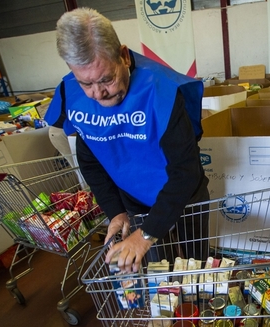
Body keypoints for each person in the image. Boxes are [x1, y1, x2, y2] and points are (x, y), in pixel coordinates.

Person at [44, 8, 210, 274]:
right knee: (160, 267)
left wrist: (145, 235)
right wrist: (116, 211)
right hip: (136, 197)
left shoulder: (160, 90)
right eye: (85, 83)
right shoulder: (72, 94)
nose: (98, 93)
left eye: (106, 79)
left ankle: (197, 304)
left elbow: (184, 171)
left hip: (183, 193)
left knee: (195, 263)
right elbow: (90, 160)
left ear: (123, 56)